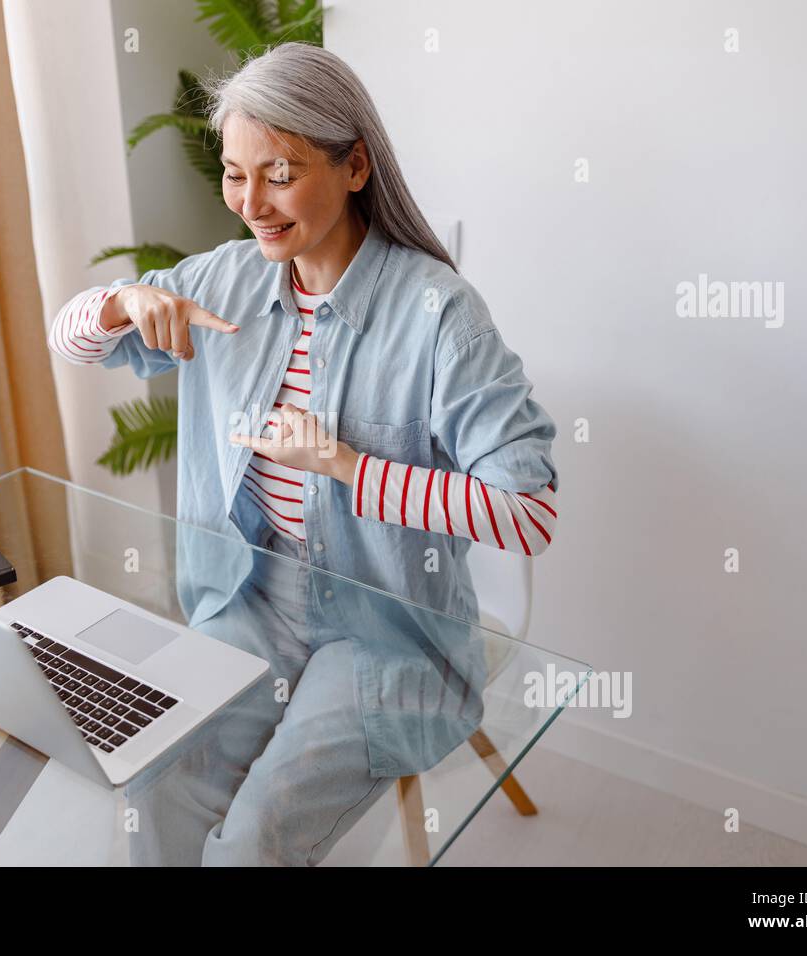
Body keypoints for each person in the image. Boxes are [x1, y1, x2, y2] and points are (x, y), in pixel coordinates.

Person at [49, 43, 559, 865]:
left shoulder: (439, 315)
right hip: (253, 597)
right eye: (234, 173)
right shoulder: (226, 281)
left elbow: (529, 512)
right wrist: (121, 301)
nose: (251, 203)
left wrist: (351, 469)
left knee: (252, 843)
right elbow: (71, 345)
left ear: (355, 166)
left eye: (280, 173)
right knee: (152, 786)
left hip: (389, 624)